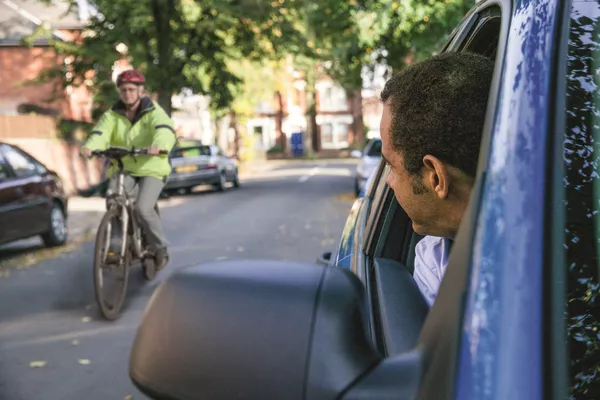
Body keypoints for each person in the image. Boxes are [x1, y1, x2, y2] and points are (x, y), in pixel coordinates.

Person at [379, 52, 494, 307]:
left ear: (436, 178)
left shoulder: (437, 268)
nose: (388, 181)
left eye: (392, 167)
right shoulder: (433, 256)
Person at [81, 69, 176, 270]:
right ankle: (117, 245)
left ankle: (159, 247)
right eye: (123, 90)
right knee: (114, 199)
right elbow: (100, 132)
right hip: (124, 166)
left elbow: (164, 130)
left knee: (143, 208)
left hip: (151, 167)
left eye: (132, 89)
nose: (128, 94)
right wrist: (90, 146)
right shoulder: (112, 115)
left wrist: (159, 145)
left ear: (141, 91)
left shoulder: (153, 112)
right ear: (119, 92)